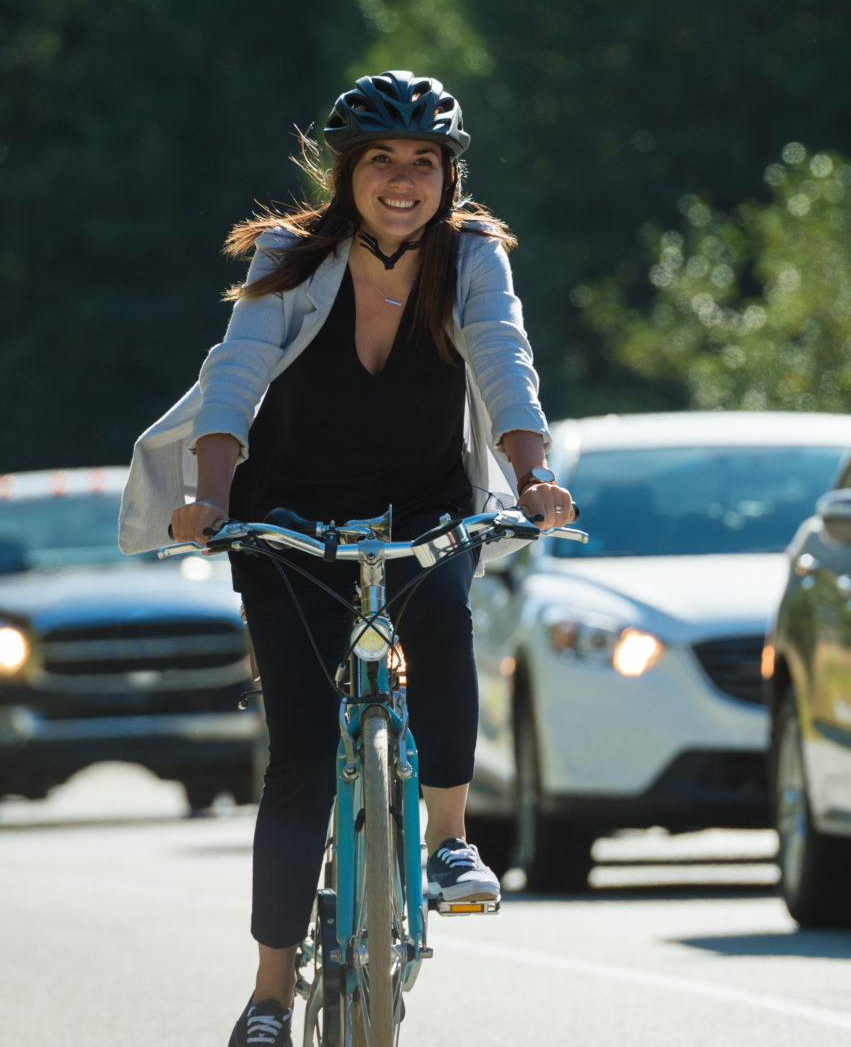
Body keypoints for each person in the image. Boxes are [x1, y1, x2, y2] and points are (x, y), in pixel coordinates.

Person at [117, 70, 574, 1047]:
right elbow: (236, 374)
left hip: (422, 508)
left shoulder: (471, 257)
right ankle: (268, 998)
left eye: (424, 162)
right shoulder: (293, 255)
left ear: (449, 176)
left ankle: (449, 841)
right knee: (301, 758)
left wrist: (534, 475)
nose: (403, 181)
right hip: (288, 520)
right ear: (346, 173)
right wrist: (210, 497)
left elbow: (505, 361)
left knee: (440, 618)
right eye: (381, 161)